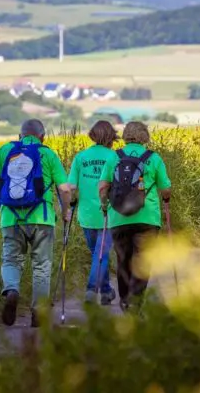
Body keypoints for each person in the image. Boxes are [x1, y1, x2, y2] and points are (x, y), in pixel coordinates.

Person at [0, 119, 72, 327]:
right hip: (41, 218)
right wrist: (65, 210)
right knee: (41, 265)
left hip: (10, 217)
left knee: (11, 260)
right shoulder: (49, 154)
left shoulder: (5, 150)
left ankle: (12, 290)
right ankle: (39, 313)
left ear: (20, 135)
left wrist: (0, 201)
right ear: (43, 137)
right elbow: (65, 189)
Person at [98, 121, 172, 311]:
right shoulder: (153, 158)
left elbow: (103, 186)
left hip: (119, 217)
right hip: (147, 219)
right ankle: (136, 302)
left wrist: (104, 205)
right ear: (144, 136)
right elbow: (165, 188)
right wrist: (166, 197)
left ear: (125, 135)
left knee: (123, 259)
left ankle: (124, 300)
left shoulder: (115, 156)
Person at [68, 120, 119, 305]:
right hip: (109, 214)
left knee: (98, 254)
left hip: (86, 214)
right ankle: (93, 290)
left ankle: (105, 291)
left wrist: (71, 202)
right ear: (111, 137)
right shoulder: (115, 157)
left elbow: (71, 186)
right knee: (101, 254)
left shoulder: (80, 157)